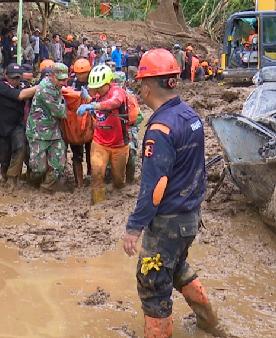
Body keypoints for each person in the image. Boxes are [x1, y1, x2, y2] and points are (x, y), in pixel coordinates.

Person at [123, 48, 224, 338]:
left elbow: (154, 189)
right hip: (190, 217)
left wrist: (134, 227)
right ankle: (209, 322)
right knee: (176, 267)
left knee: (152, 282)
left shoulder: (159, 128)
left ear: (146, 86)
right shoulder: (190, 116)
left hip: (167, 221)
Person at [77, 65, 129, 204]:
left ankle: (118, 203)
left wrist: (93, 106)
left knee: (118, 178)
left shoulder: (117, 92)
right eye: (95, 87)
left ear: (108, 83)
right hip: (99, 142)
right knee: (97, 174)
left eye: (100, 87)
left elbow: (113, 103)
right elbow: (95, 102)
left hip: (119, 143)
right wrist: (87, 98)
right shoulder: (96, 95)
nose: (97, 90)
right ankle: (98, 205)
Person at [0, 64, 39, 187]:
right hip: (1, 125)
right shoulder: (0, 85)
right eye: (12, 78)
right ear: (6, 76)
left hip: (17, 124)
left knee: (20, 146)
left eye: (18, 78)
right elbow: (20, 95)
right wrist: (41, 87)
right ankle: (5, 171)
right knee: (4, 155)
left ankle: (13, 177)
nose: (15, 81)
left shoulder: (24, 84)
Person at [26, 63, 69, 193]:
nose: (62, 82)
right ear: (51, 76)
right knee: (38, 168)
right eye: (59, 79)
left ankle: (45, 188)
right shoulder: (46, 89)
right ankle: (31, 182)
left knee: (58, 166)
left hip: (54, 132)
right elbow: (59, 112)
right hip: (38, 131)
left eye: (64, 79)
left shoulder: (56, 86)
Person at [68, 58, 93, 186]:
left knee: (91, 152)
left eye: (84, 73)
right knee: (77, 153)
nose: (81, 75)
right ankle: (79, 182)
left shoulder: (94, 83)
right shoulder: (71, 83)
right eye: (79, 73)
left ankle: (91, 174)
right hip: (75, 122)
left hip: (90, 121)